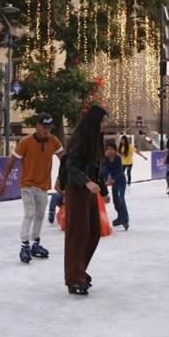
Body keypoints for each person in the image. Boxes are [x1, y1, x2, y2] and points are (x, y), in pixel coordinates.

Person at [0, 113, 64, 263]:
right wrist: (3, 181)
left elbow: (64, 158)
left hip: (43, 186)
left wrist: (62, 178)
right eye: (44, 127)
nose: (46, 130)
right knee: (30, 214)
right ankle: (24, 246)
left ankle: (35, 243)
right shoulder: (26, 142)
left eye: (49, 128)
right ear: (37, 126)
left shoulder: (53, 141)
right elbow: (11, 161)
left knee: (40, 215)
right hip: (27, 184)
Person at [62, 105, 109, 296]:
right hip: (77, 188)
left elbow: (97, 168)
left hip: (89, 190)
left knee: (94, 232)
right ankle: (73, 277)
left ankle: (79, 269)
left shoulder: (96, 139)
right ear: (95, 121)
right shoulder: (80, 139)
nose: (105, 124)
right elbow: (70, 166)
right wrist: (87, 182)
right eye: (103, 121)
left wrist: (103, 190)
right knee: (78, 233)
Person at [101, 141, 129, 229]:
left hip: (120, 181)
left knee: (121, 198)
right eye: (108, 149)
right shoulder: (105, 159)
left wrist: (114, 179)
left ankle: (125, 219)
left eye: (112, 149)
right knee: (116, 201)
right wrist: (107, 179)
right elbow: (104, 170)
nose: (110, 151)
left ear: (115, 150)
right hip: (113, 182)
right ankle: (120, 216)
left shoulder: (118, 158)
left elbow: (120, 171)